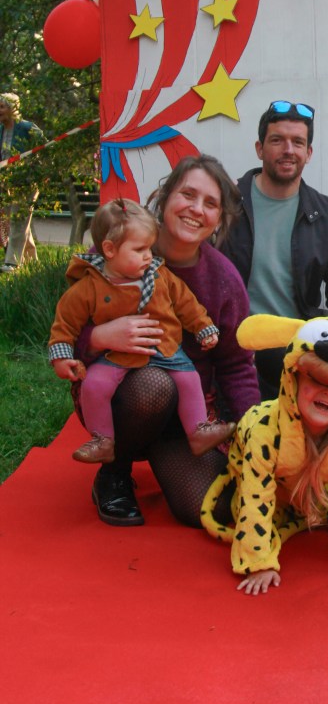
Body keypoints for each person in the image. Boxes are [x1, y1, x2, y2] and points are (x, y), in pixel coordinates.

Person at [74, 154, 260, 528]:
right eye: (187, 194)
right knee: (154, 386)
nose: (196, 209)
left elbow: (236, 365)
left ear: (220, 219)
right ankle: (114, 471)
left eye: (210, 203)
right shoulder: (116, 249)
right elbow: (66, 328)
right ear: (165, 196)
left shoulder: (223, 279)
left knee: (217, 508)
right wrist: (98, 336)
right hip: (118, 396)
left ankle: (168, 455)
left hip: (187, 418)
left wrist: (255, 434)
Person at [201, 313, 328, 595]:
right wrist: (258, 562)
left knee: (325, 504)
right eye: (316, 381)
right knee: (254, 511)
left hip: (309, 484)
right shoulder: (264, 433)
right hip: (259, 478)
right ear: (293, 380)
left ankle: (308, 500)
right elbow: (254, 496)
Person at [49, 199, 233, 464]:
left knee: (189, 379)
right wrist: (61, 356)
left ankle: (198, 431)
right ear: (109, 249)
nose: (148, 256)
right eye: (139, 249)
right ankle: (103, 440)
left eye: (149, 248)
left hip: (166, 349)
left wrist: (204, 327)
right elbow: (65, 323)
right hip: (117, 356)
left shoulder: (159, 275)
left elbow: (186, 303)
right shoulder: (89, 287)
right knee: (94, 385)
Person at [223, 100, 328, 399]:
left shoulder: (323, 211)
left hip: (298, 347)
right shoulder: (228, 200)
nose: (288, 150)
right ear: (260, 149)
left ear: (308, 153)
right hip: (235, 345)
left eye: (297, 142)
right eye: (277, 140)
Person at [0, 91, 44, 270]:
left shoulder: (27, 127)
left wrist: (36, 169)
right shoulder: (1, 130)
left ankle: (12, 262)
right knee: (17, 222)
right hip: (6, 183)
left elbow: (45, 147)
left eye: (2, 107)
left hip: (26, 182)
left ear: (13, 109)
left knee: (19, 220)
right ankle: (32, 262)